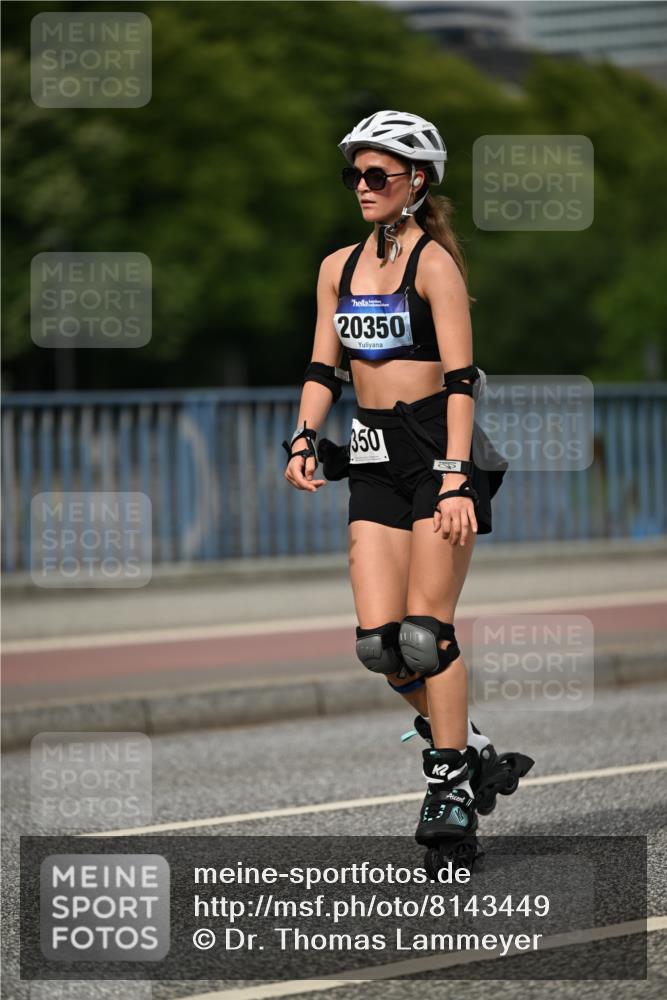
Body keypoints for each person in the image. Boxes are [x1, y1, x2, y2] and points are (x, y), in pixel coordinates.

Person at [283, 110, 533, 871]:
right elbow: (323, 368)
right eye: (354, 174)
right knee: (380, 646)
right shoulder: (338, 267)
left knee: (428, 634)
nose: (360, 187)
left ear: (415, 182)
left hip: (435, 450)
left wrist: (457, 476)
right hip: (370, 449)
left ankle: (449, 791)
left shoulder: (434, 265)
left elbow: (461, 380)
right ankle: (474, 749)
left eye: (375, 175)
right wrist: (302, 434)